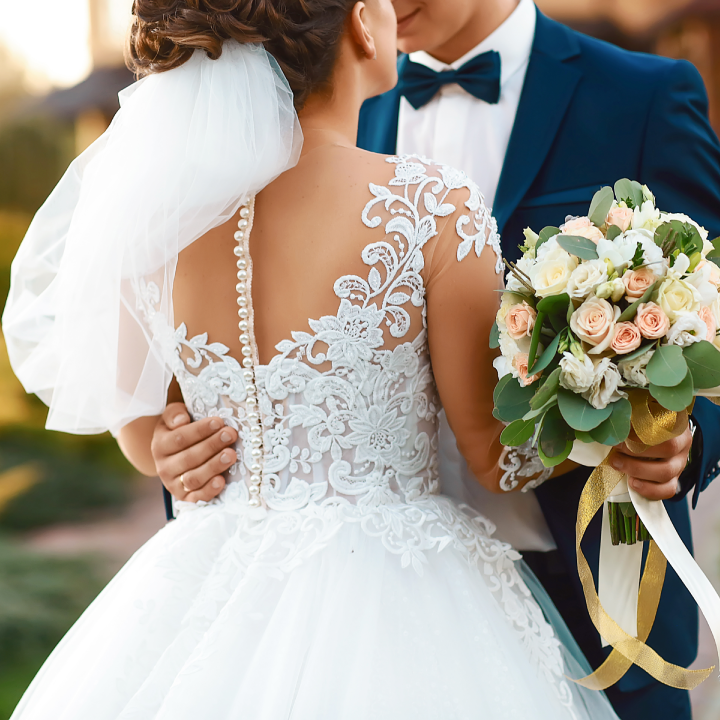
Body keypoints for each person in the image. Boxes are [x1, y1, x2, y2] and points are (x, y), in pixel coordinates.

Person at [1, 1, 623, 718]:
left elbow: (141, 430)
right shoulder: (426, 206)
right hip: (402, 587)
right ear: (362, 22)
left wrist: (168, 451)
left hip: (216, 578)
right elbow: (497, 455)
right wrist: (613, 397)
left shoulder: (162, 225)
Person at [146, 1, 720, 718]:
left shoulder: (644, 96)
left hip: (600, 597)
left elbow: (706, 308)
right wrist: (180, 452)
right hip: (354, 616)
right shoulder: (333, 90)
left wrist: (677, 427)